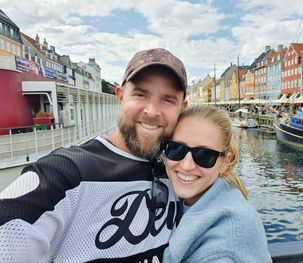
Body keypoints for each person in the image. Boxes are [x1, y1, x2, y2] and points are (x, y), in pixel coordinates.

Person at [0, 48, 188, 262]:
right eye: (141, 94)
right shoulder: (65, 174)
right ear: (120, 97)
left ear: (182, 108)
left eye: (168, 100)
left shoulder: (183, 170)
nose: (152, 111)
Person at [162, 105, 271, 263]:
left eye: (205, 155)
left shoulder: (232, 233)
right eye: (176, 149)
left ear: (225, 163)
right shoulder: (176, 195)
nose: (186, 165)